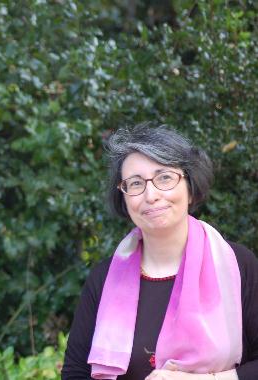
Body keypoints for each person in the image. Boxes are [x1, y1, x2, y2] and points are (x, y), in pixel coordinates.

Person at [61, 123, 258, 380]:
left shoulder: (238, 264)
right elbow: (75, 374)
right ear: (124, 197)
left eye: (164, 177)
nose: (151, 195)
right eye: (135, 183)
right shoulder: (104, 277)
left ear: (190, 186)